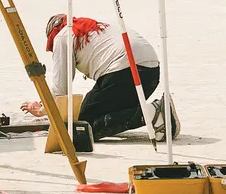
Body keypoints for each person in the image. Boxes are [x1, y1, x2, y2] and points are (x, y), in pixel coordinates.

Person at [20, 14, 179, 141]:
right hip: (151, 72)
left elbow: (61, 89)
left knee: (83, 126)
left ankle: (152, 113)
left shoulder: (62, 36)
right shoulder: (97, 27)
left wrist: (42, 109)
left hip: (125, 71)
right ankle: (154, 116)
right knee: (108, 107)